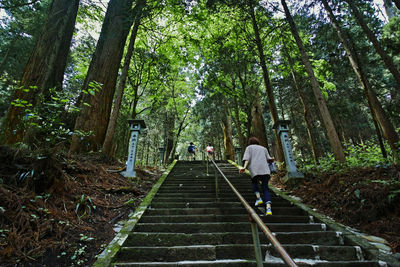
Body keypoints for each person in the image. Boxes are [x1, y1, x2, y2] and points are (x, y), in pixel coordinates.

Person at [239, 137, 274, 216]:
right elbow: (269, 159)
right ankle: (268, 209)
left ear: (250, 142)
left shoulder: (249, 148)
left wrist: (244, 167)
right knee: (266, 188)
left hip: (255, 169)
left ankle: (259, 198)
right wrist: (272, 160)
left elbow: (247, 158)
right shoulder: (264, 148)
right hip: (265, 170)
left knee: (254, 183)